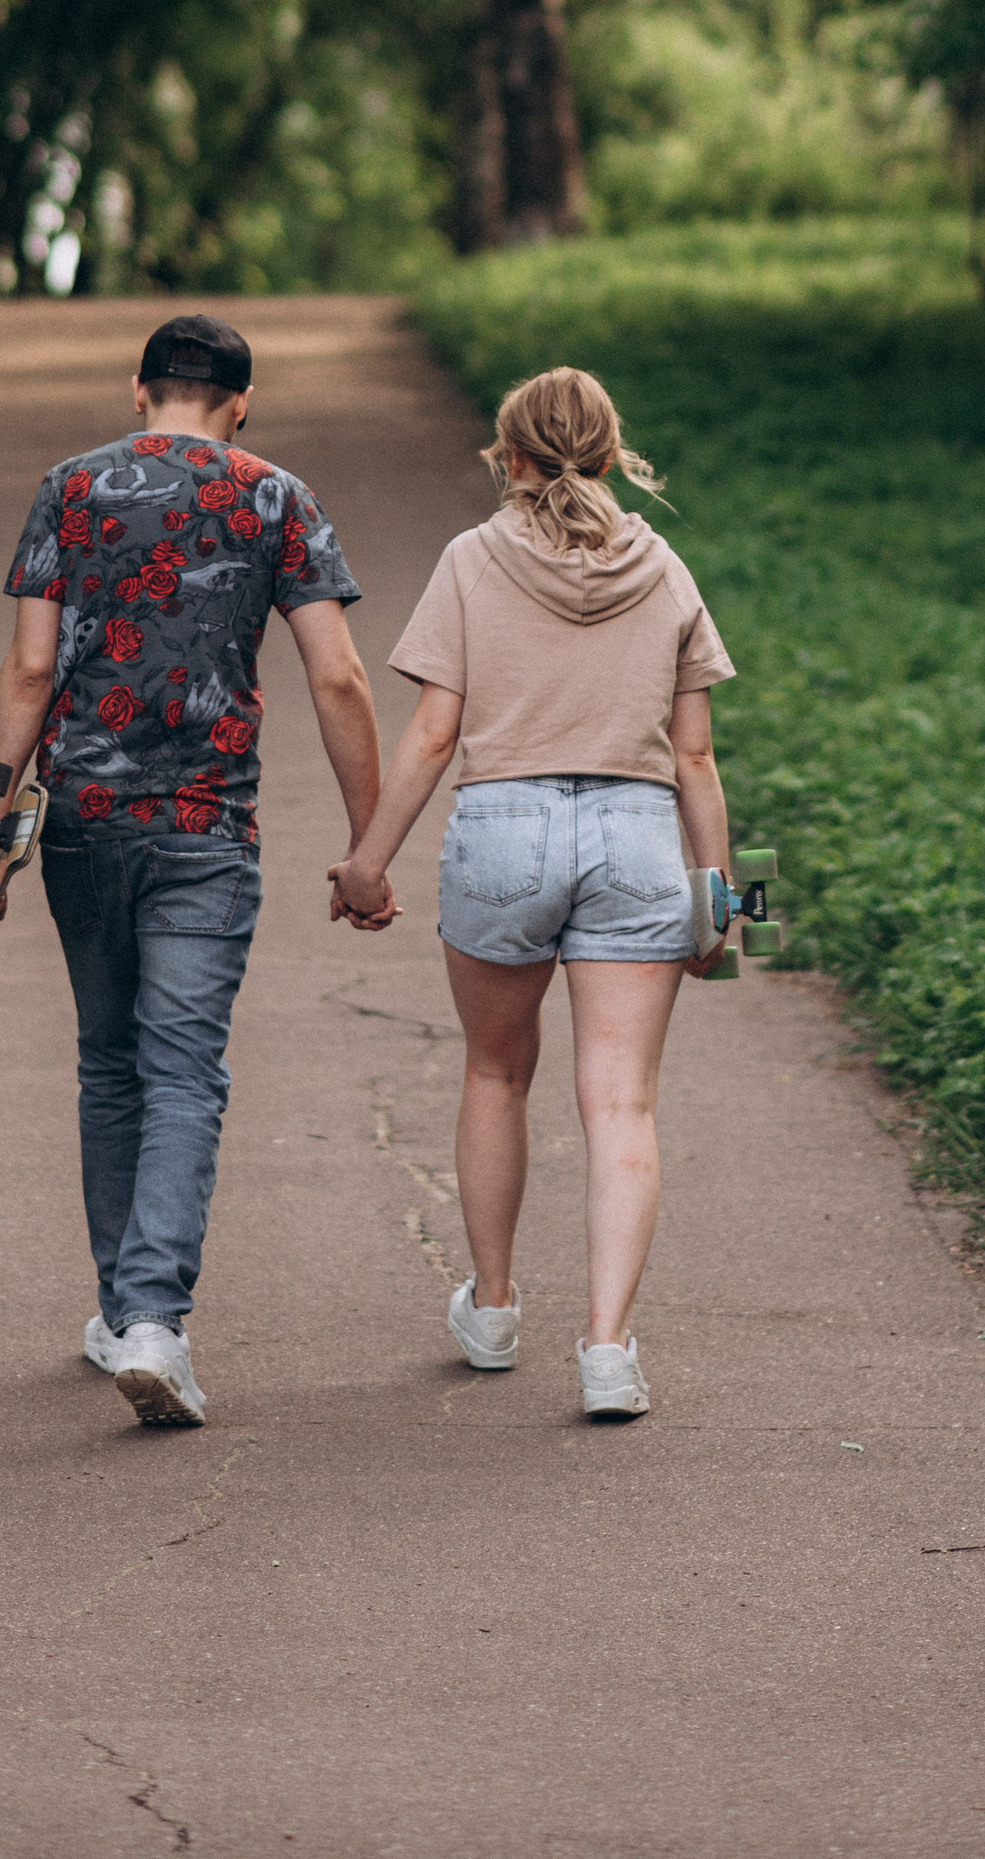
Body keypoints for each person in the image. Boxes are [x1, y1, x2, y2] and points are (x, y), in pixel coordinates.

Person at [0, 313, 382, 1431]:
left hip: (84, 827)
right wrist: (368, 844)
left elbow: (29, 668)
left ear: (140, 389)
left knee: (111, 1066)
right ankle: (153, 1322)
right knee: (185, 1070)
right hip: (206, 826)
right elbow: (338, 679)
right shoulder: (275, 495)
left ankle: (120, 1315)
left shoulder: (68, 488)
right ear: (242, 401)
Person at [327, 365, 735, 1421]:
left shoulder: (472, 560)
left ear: (509, 458)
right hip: (640, 837)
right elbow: (695, 762)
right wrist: (723, 910)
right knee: (621, 1102)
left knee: (495, 1073)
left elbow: (430, 733)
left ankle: (495, 1309)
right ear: (609, 454)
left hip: (503, 830)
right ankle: (607, 1349)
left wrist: (368, 859)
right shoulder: (665, 569)